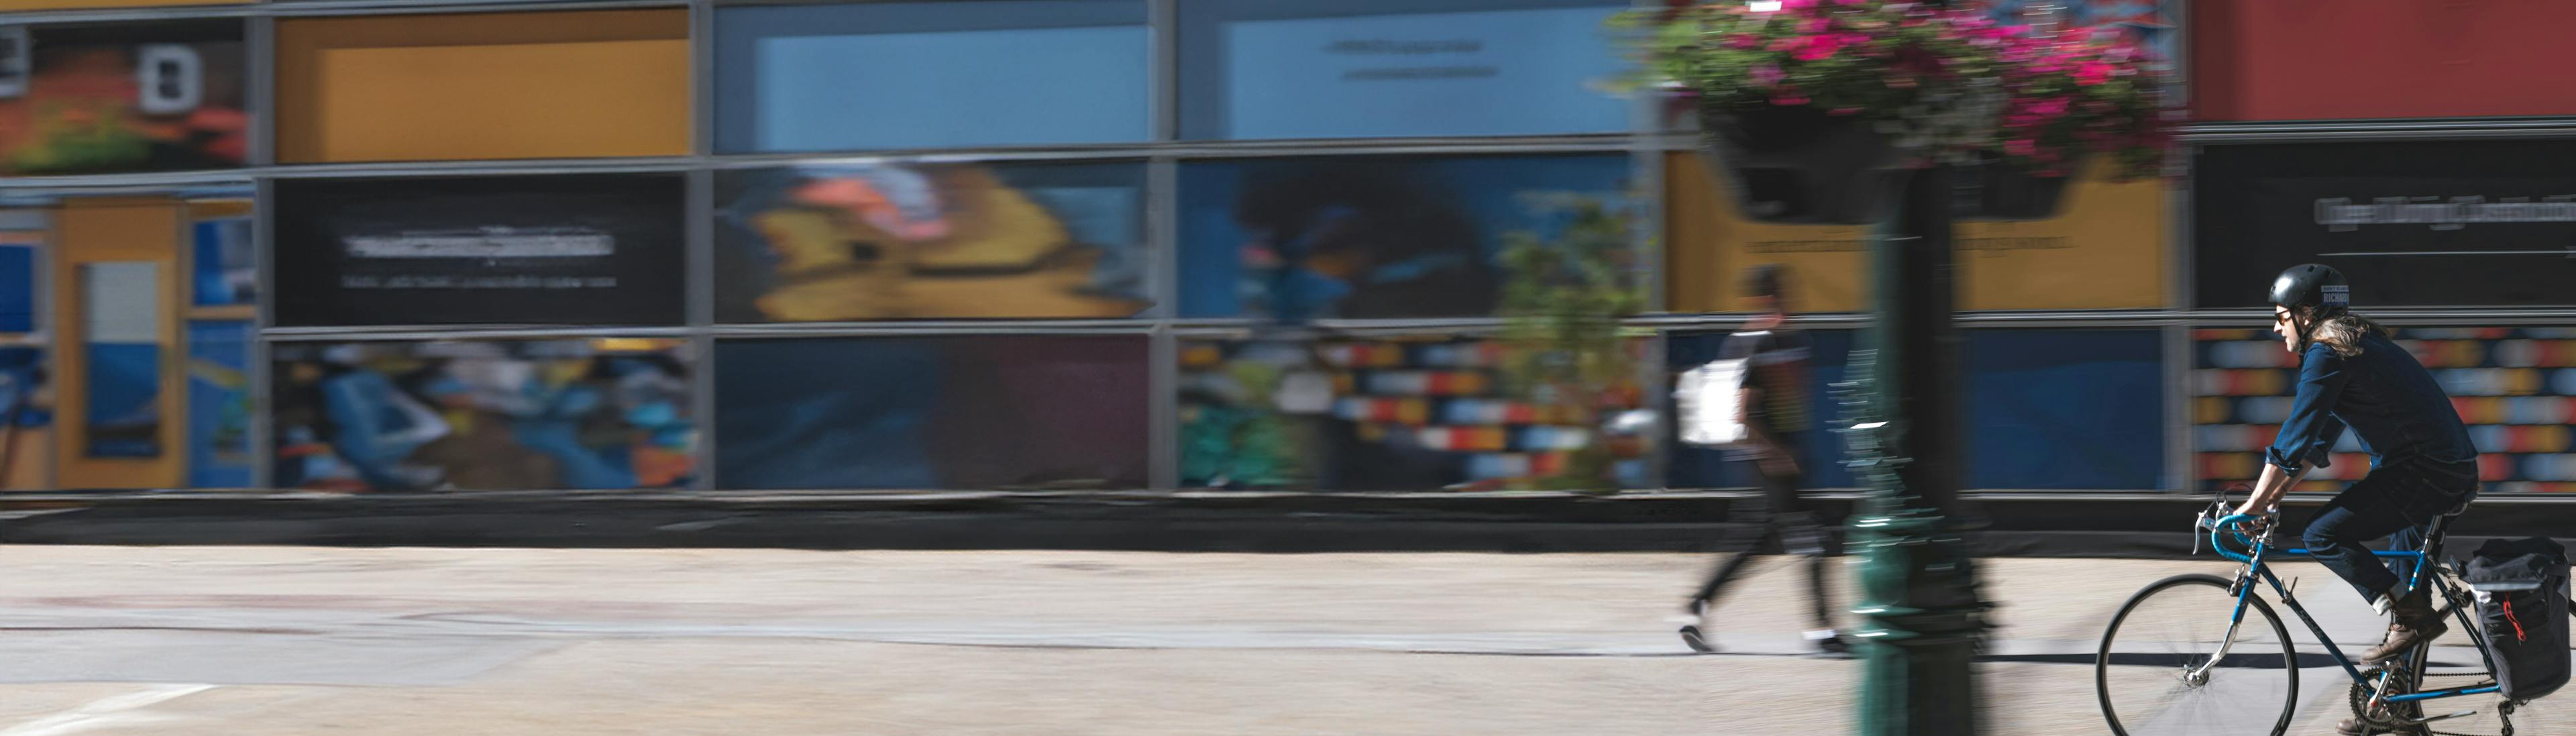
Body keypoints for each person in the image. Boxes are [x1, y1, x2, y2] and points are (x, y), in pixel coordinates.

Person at [2227, 265, 2480, 689]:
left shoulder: (2327, 353)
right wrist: (2273, 498)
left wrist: (2254, 503)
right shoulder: (2356, 345)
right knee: (2405, 587)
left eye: (2280, 316)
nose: (2276, 327)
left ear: (2306, 314)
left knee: (2323, 535)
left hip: (2425, 475)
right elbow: (2314, 442)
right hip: (2443, 472)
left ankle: (2412, 619)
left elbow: (2296, 432)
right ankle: (2394, 708)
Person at [1677, 264, 1848, 656]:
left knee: (1757, 540)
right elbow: (1742, 415)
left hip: (1786, 454)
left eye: (1783, 292)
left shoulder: (1789, 339)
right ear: (1757, 300)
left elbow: (1792, 401)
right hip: (1769, 457)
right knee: (1814, 543)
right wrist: (1776, 454)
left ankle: (1694, 609)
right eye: (1774, 294)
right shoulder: (1755, 343)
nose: (1783, 300)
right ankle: (1821, 630)